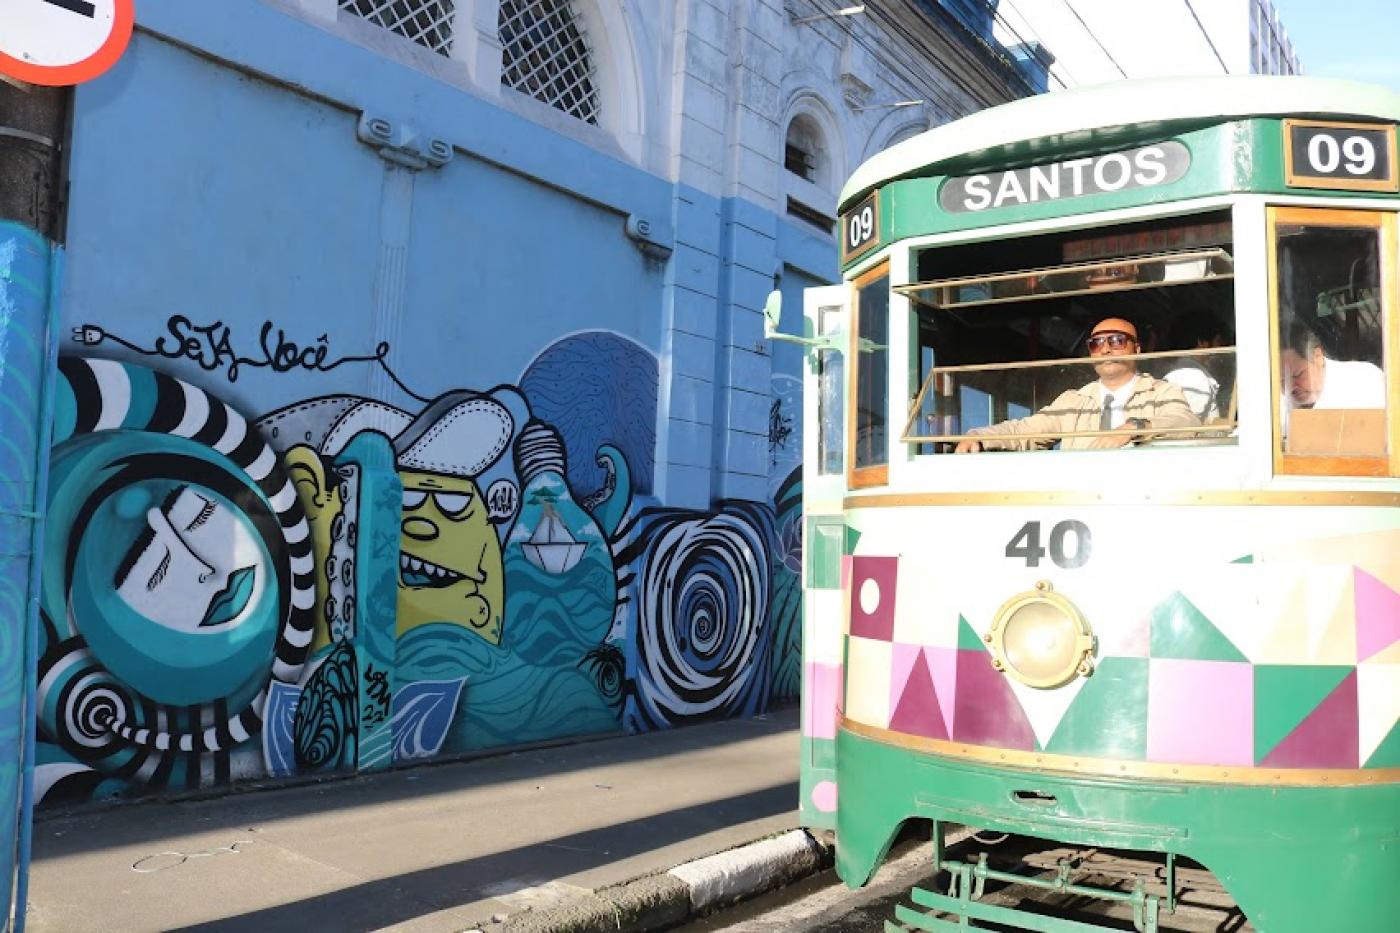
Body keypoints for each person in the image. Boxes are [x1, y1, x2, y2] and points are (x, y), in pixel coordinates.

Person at [954, 317, 1199, 452]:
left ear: (1137, 349)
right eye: (1096, 343)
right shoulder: (1073, 400)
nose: (1105, 349)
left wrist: (1133, 427)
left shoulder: (1162, 391)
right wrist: (979, 437)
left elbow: (1186, 423)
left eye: (1116, 340)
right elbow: (1026, 430)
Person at [1280, 321, 1384, 417]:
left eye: (1297, 374)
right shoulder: (1271, 405)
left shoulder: (1367, 381)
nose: (1289, 387)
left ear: (1317, 357)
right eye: (1281, 380)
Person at [1163, 309, 1231, 421]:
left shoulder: (1185, 373)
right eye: (1218, 341)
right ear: (1202, 342)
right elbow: (1186, 424)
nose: (1220, 349)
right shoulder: (1192, 376)